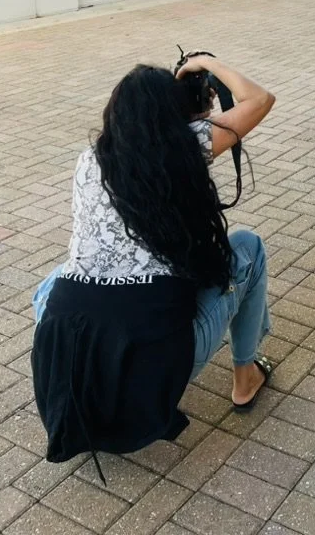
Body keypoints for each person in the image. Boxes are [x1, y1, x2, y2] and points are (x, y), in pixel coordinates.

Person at [30, 54, 275, 481]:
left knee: (60, 278)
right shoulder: (187, 148)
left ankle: (99, 390)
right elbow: (260, 99)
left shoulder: (90, 159)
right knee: (247, 248)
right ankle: (245, 378)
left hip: (69, 348)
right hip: (153, 358)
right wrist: (207, 62)